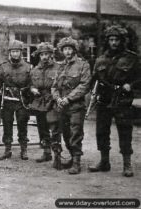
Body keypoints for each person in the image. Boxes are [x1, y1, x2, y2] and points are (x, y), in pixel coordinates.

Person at [88, 25, 141, 177]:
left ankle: (127, 164)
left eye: (117, 39)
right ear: (107, 41)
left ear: (122, 41)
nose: (114, 43)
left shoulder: (132, 58)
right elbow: (94, 80)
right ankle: (104, 162)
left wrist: (130, 85)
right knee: (101, 132)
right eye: (111, 39)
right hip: (104, 100)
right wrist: (95, 93)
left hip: (122, 100)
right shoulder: (100, 60)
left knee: (125, 132)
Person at [52, 36, 91, 174]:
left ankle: (76, 162)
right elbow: (54, 86)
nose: (67, 52)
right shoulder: (60, 66)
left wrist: (68, 98)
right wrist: (57, 98)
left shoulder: (83, 65)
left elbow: (84, 85)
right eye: (65, 49)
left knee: (76, 133)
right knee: (66, 134)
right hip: (62, 106)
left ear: (74, 50)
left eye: (70, 49)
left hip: (76, 106)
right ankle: (72, 156)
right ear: (62, 51)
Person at [29, 42, 62, 169]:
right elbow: (31, 84)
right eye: (42, 54)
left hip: (53, 101)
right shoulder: (34, 70)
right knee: (42, 129)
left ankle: (57, 156)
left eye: (46, 54)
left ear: (51, 55)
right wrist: (32, 89)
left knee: (54, 129)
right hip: (39, 102)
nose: (44, 57)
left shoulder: (58, 68)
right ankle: (46, 152)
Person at [0, 40, 31, 160]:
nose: (15, 54)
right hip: (7, 101)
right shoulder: (3, 67)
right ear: (10, 53)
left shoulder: (28, 67)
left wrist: (26, 95)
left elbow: (31, 83)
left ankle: (24, 149)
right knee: (7, 125)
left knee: (22, 125)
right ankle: (7, 149)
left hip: (22, 101)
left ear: (21, 52)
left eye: (17, 51)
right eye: (13, 51)